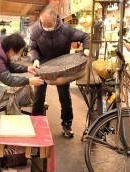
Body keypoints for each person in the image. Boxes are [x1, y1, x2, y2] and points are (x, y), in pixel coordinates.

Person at [30, 9, 90, 138]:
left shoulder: (66, 30)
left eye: (48, 24)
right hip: (42, 67)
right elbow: (33, 47)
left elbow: (85, 36)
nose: (45, 27)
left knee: (64, 96)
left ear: (56, 20)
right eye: (43, 24)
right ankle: (36, 123)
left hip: (62, 68)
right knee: (38, 96)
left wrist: (86, 49)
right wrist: (35, 59)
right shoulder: (36, 30)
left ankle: (67, 124)